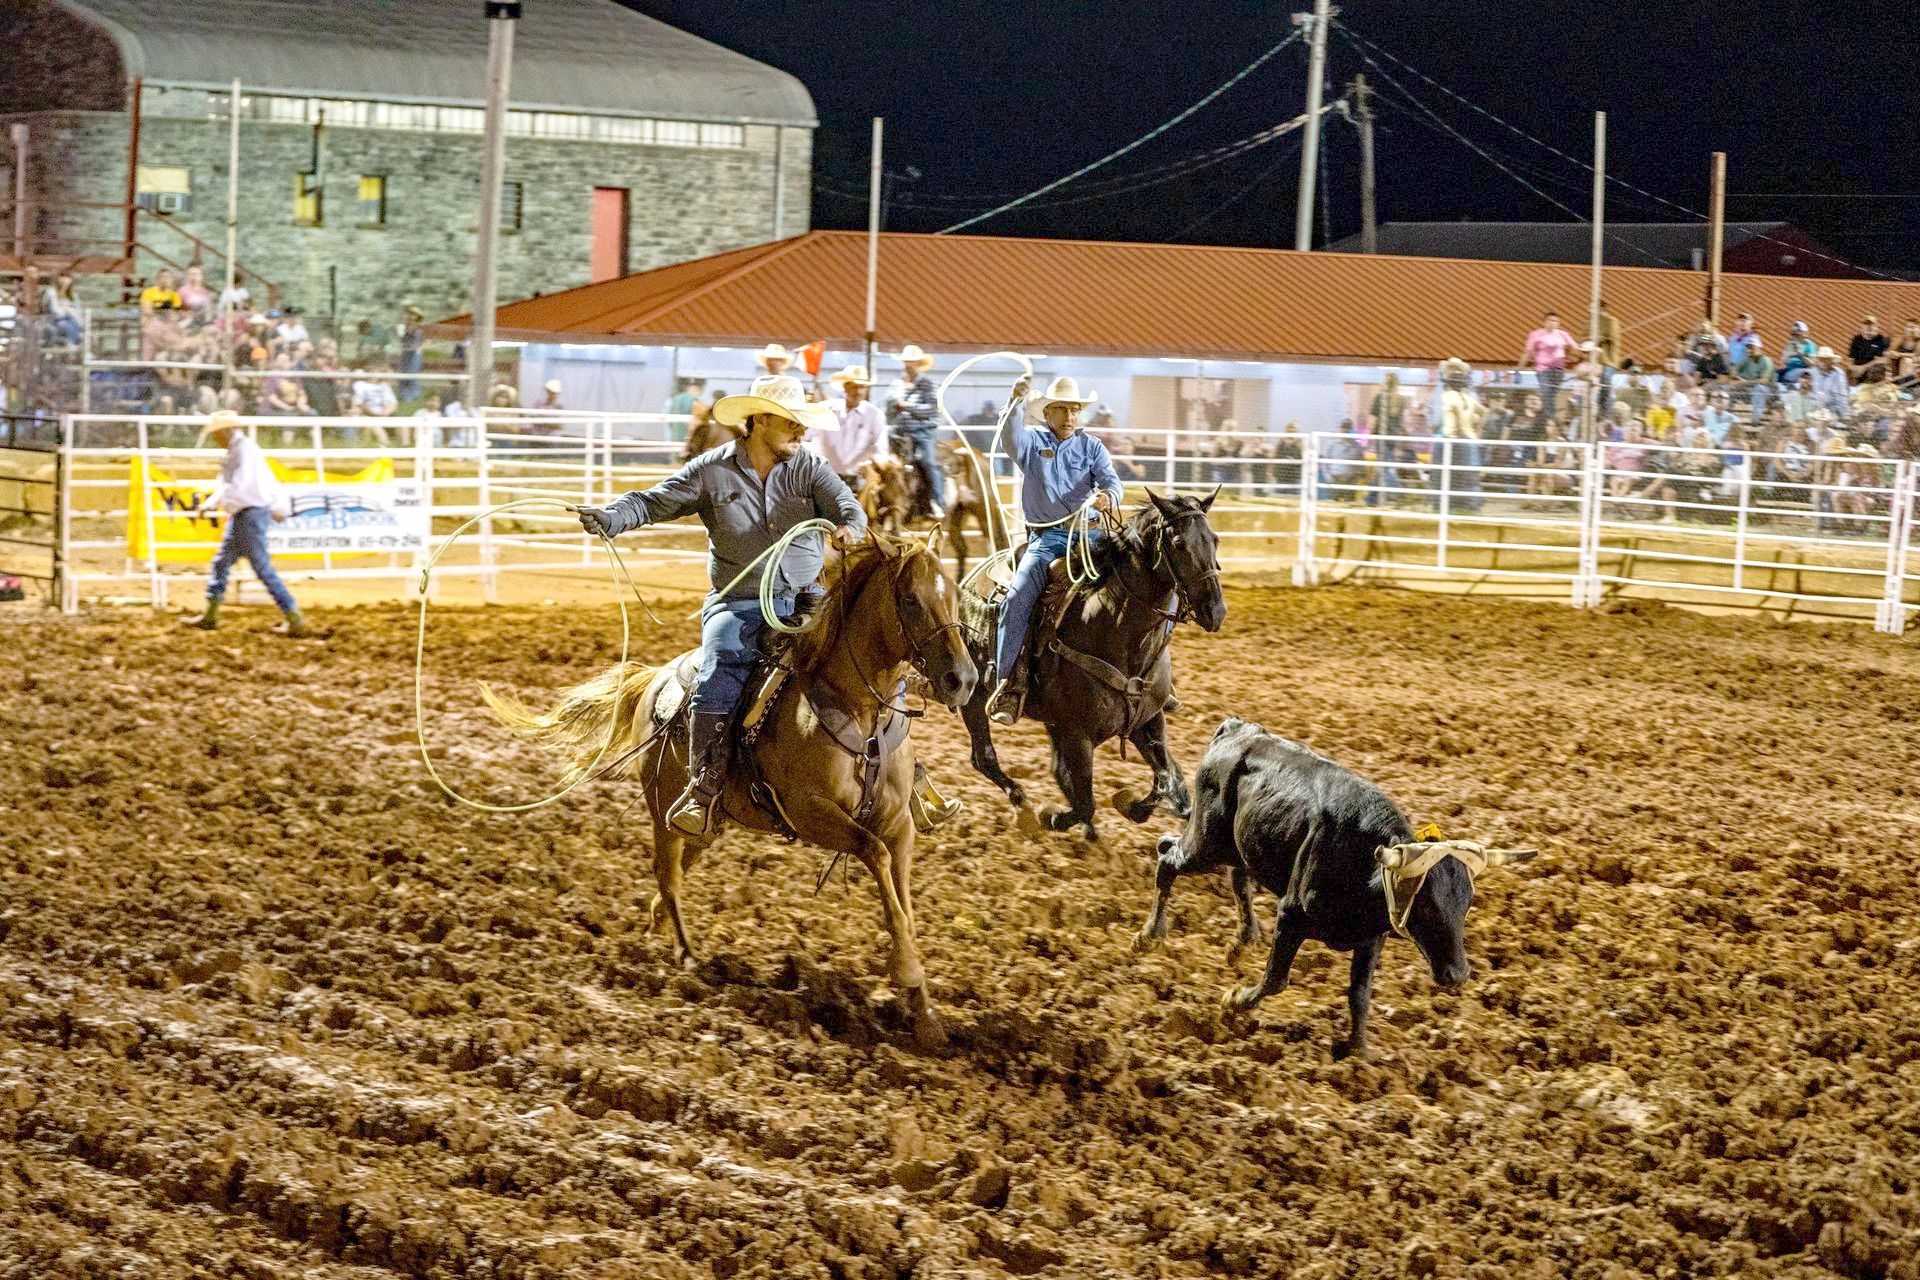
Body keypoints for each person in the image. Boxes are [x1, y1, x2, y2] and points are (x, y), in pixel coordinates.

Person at [574, 376, 865, 836]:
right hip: (741, 602)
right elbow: (652, 503)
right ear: (761, 420)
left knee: (866, 656)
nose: (801, 432)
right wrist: (612, 517)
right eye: (792, 423)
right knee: (721, 666)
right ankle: (703, 787)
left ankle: (909, 777)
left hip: (809, 596)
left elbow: (848, 506)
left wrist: (850, 525)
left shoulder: (810, 468)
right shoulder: (711, 471)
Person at [984, 374, 1123, 724]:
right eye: (1061, 409)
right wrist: (1014, 400)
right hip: (1047, 540)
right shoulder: (1031, 443)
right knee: (1016, 600)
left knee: (1140, 577)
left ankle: (1154, 679)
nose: (1069, 416)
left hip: (1091, 537)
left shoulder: (1092, 447)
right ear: (1047, 413)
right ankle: (1007, 684)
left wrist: (1108, 496)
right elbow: (1008, 437)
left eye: (1074, 409)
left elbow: (1111, 482)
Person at [182, 410, 309, 636]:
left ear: (224, 431)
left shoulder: (243, 451)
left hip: (248, 514)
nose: (214, 439)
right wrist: (212, 504)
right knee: (224, 563)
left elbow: (238, 486)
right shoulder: (239, 450)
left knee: (259, 567)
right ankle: (211, 615)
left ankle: (293, 614)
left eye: (215, 434)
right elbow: (234, 485)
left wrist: (213, 504)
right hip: (247, 513)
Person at [886, 344, 943, 520]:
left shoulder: (927, 384)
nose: (909, 365)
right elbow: (887, 405)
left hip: (923, 432)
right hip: (899, 433)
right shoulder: (896, 384)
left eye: (913, 362)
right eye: (907, 362)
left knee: (927, 461)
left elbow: (932, 410)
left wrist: (906, 406)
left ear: (918, 364)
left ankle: (936, 501)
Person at [808, 365, 890, 482]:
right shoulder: (826, 409)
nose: (859, 391)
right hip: (824, 477)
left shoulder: (875, 415)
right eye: (854, 386)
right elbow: (804, 434)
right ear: (845, 387)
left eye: (863, 387)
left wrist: (871, 464)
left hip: (858, 479)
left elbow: (880, 450)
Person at [1519, 311, 1577, 421]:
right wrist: (1519, 367)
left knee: (1552, 395)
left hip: (1558, 369)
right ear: (1544, 322)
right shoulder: (1536, 334)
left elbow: (1575, 348)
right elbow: (1527, 351)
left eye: (1555, 321)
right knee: (1546, 392)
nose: (1553, 323)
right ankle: (1550, 420)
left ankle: (1547, 419)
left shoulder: (1563, 335)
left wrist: (1567, 356)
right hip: (1543, 369)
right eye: (1550, 320)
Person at [1732, 340, 1776, 419]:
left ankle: (1756, 418)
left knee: (1759, 389)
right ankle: (1728, 416)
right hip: (1749, 389)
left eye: (1752, 347)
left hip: (1769, 391)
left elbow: (1764, 381)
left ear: (1759, 347)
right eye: (1748, 347)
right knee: (1728, 387)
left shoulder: (1766, 360)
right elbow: (1733, 371)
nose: (1749, 350)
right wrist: (1735, 375)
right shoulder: (1746, 359)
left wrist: (1745, 382)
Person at [1810, 348, 1851, 419]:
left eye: (1827, 359)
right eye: (1821, 360)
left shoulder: (1839, 373)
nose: (1824, 362)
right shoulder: (1812, 372)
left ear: (1832, 361)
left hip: (1832, 411)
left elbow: (1842, 395)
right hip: (1813, 410)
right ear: (1817, 361)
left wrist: (1843, 414)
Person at [1848, 315, 1890, 383]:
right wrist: (1853, 368)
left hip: (1873, 372)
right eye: (1866, 324)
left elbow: (1884, 360)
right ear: (1862, 326)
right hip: (1858, 372)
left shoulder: (1882, 340)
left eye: (1872, 324)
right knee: (1849, 371)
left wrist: (1864, 367)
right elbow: (1850, 360)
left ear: (1877, 327)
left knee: (1877, 369)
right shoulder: (1856, 340)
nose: (1869, 327)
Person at [397, 303, 425, 402]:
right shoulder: (403, 327)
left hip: (414, 354)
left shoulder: (418, 328)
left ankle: (413, 396)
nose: (410, 316)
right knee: (403, 374)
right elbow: (402, 340)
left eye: (413, 314)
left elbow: (422, 342)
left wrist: (419, 349)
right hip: (406, 353)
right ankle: (404, 396)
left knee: (412, 375)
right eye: (409, 313)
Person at [1779, 321, 1817, 385]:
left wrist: (1800, 355)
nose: (1794, 336)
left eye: (1796, 334)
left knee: (1806, 373)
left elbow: (1812, 364)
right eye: (1792, 334)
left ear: (1804, 333)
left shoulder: (1809, 345)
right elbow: (1784, 361)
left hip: (1804, 371)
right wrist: (1788, 354)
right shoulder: (1790, 344)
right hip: (1790, 371)